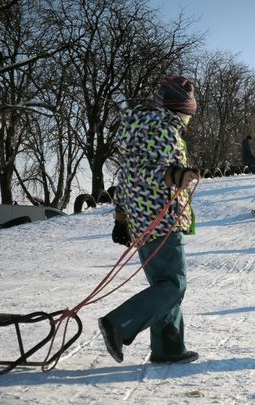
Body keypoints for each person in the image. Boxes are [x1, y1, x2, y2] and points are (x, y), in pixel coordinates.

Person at [100, 75, 200, 365]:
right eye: (188, 115)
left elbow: (127, 177)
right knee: (174, 284)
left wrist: (121, 217)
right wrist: (176, 175)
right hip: (162, 219)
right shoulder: (165, 129)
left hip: (142, 221)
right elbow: (149, 170)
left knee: (164, 286)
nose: (188, 122)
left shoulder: (141, 129)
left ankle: (168, 347)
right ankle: (118, 324)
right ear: (180, 110)